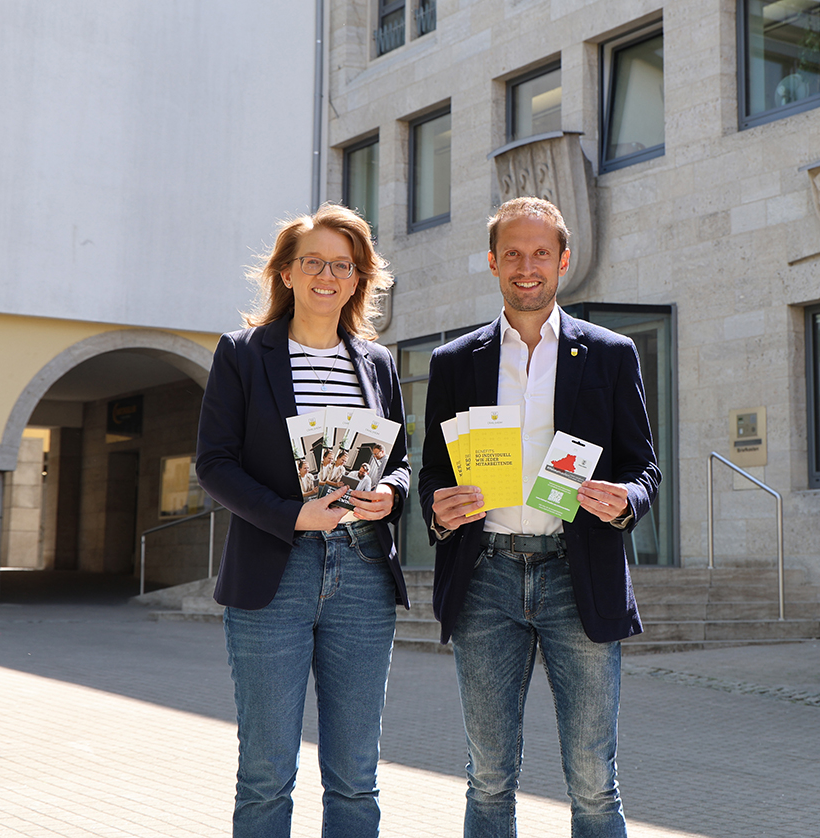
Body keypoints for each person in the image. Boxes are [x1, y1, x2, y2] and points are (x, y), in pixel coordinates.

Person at [418, 197, 660, 838]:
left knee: (592, 781)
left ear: (564, 261)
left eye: (541, 253)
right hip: (486, 578)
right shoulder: (454, 362)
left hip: (574, 574)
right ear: (493, 262)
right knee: (489, 778)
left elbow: (644, 468)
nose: (528, 267)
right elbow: (433, 479)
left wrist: (624, 500)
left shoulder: (609, 354)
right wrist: (440, 513)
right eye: (514, 254)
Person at [196, 203, 411, 838]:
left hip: (365, 574)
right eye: (312, 262)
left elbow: (399, 461)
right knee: (266, 774)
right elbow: (214, 463)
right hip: (274, 574)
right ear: (286, 274)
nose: (327, 275)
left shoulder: (378, 363)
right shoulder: (243, 354)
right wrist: (294, 515)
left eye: (342, 265)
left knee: (355, 776)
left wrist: (391, 496)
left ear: (358, 279)